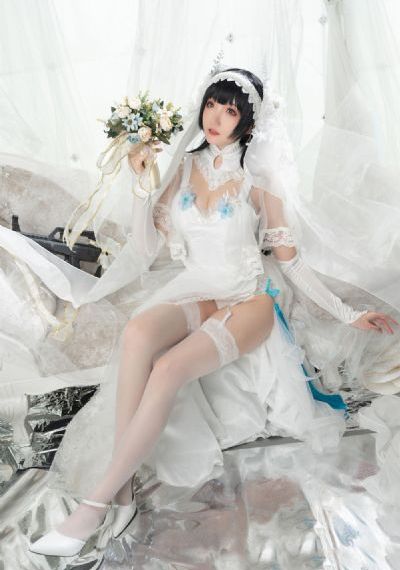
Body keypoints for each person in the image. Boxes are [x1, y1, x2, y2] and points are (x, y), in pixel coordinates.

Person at [29, 67, 396, 557]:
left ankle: (93, 507)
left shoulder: (259, 180)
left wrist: (349, 314)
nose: (217, 118)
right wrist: (141, 188)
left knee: (168, 368)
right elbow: (146, 248)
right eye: (212, 105)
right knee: (137, 333)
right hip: (197, 287)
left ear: (249, 123)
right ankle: (123, 492)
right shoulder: (183, 167)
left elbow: (290, 263)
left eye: (231, 111)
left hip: (249, 299)